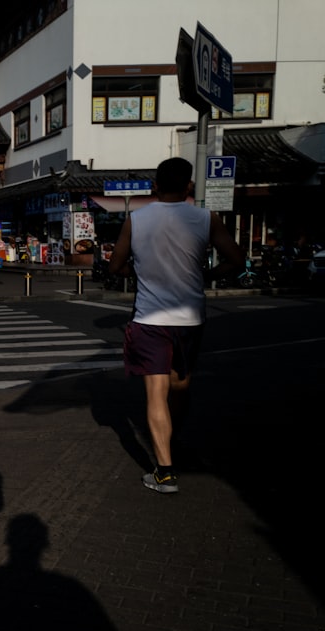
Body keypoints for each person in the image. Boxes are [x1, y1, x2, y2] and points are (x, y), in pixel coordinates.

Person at [109, 156, 243, 494]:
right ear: (188, 186)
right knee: (180, 387)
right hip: (190, 318)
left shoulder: (135, 220)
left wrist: (136, 275)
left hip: (151, 318)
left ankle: (164, 472)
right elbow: (236, 260)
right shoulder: (205, 218)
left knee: (156, 393)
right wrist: (206, 275)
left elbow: (115, 266)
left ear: (155, 184)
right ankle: (172, 441)